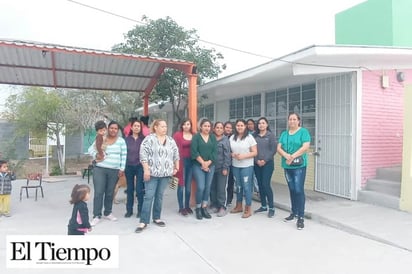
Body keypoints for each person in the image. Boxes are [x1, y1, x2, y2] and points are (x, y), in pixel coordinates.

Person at [135, 119, 179, 233]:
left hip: (166, 174)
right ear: (155, 127)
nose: (165, 128)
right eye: (162, 126)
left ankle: (157, 217)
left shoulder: (170, 140)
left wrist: (176, 168)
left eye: (166, 126)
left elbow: (176, 154)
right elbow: (143, 155)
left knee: (159, 196)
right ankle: (143, 221)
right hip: (152, 173)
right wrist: (146, 170)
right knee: (149, 196)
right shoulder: (149, 139)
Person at [88, 121, 127, 226]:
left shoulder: (121, 141)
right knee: (99, 192)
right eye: (111, 128)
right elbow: (90, 149)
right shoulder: (101, 138)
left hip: (114, 170)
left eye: (115, 128)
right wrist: (96, 154)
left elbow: (124, 155)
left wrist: (122, 168)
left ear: (118, 130)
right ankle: (96, 215)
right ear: (107, 129)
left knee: (110, 192)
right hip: (100, 169)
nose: (113, 130)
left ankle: (108, 212)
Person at [277, 112, 311, 230]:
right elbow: (278, 148)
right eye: (290, 119)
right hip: (287, 166)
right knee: (291, 189)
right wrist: (286, 155)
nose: (292, 121)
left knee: (298, 189)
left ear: (298, 121)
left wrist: (292, 156)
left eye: (294, 119)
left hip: (299, 166)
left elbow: (305, 147)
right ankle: (294, 212)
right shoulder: (284, 133)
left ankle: (301, 217)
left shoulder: (303, 132)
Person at [229, 119, 257, 218]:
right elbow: (229, 151)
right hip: (236, 166)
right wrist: (233, 154)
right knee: (238, 187)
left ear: (245, 126)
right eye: (238, 125)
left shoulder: (250, 138)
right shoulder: (232, 137)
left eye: (241, 125)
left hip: (247, 166)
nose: (239, 127)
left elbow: (254, 152)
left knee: (246, 187)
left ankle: (248, 208)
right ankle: (239, 205)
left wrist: (243, 156)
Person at [191, 118, 217, 220]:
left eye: (209, 126)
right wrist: (203, 163)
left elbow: (214, 152)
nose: (207, 128)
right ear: (201, 126)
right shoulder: (196, 137)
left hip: (211, 165)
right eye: (205, 126)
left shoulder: (212, 137)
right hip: (198, 165)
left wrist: (208, 163)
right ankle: (198, 208)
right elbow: (194, 151)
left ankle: (204, 207)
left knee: (207, 187)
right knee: (201, 187)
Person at [253, 117, 277, 218]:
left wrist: (264, 160)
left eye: (263, 123)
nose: (261, 125)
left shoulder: (270, 136)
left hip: (268, 164)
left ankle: (271, 207)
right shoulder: (254, 136)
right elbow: (252, 149)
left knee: (265, 184)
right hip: (257, 163)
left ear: (267, 125)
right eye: (259, 123)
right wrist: (257, 160)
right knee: (260, 185)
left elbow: (273, 150)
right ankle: (263, 205)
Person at [173, 118, 194, 216]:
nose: (186, 126)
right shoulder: (177, 135)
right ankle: (181, 207)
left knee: (188, 187)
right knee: (181, 186)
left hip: (191, 163)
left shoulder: (194, 135)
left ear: (191, 125)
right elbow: (173, 149)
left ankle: (187, 206)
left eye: (188, 124)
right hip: (181, 162)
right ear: (182, 125)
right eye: (184, 124)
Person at [124, 120, 145, 218]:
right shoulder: (126, 139)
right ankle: (129, 210)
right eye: (135, 126)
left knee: (140, 190)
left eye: (138, 126)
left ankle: (140, 211)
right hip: (128, 166)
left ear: (141, 128)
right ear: (131, 127)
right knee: (130, 189)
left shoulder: (144, 139)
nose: (137, 127)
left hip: (140, 166)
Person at [210, 122, 231, 217]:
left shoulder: (225, 140)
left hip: (222, 168)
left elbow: (227, 155)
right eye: (217, 127)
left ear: (223, 130)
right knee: (212, 187)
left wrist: (225, 167)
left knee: (221, 188)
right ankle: (214, 205)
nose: (218, 129)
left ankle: (222, 206)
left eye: (220, 128)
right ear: (214, 129)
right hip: (211, 167)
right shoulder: (211, 138)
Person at [223, 121, 235, 208]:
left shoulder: (234, 138)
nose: (228, 129)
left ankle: (229, 200)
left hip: (231, 163)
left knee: (230, 182)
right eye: (227, 127)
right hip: (221, 163)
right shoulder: (220, 137)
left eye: (230, 128)